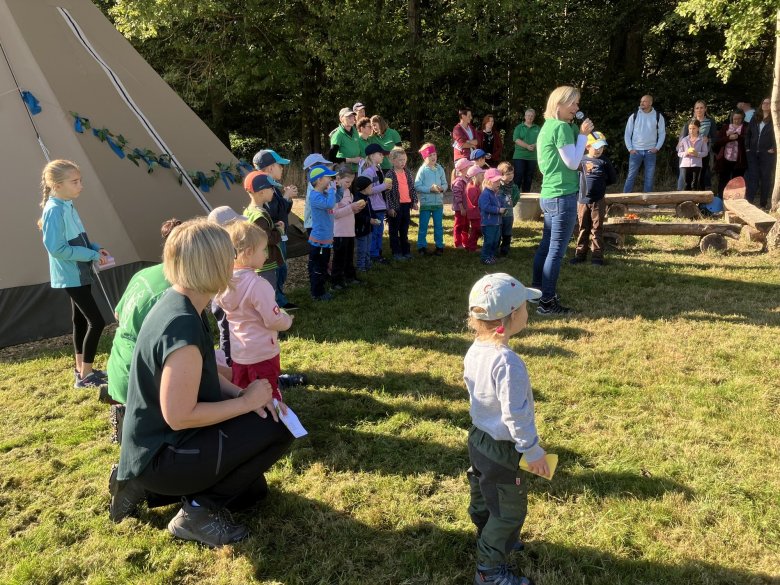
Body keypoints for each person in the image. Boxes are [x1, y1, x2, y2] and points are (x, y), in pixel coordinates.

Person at [109, 218, 293, 547]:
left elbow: (203, 376)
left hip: (159, 443)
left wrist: (246, 394)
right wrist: (246, 402)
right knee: (279, 429)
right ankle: (195, 511)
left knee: (253, 494)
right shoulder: (181, 325)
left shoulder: (178, 301)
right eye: (228, 257)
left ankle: (139, 481)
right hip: (166, 449)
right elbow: (179, 415)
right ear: (214, 265)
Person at [464, 273, 548, 585]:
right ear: (512, 317)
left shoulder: (476, 348)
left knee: (486, 495)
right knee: (509, 510)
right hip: (502, 449)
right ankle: (488, 571)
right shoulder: (508, 363)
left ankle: (489, 535)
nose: (528, 312)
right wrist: (532, 450)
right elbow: (516, 416)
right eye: (526, 307)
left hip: (478, 438)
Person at [106, 218, 181, 440]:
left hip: (118, 366)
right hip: (140, 378)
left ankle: (129, 415)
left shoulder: (143, 274)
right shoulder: (174, 291)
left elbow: (118, 314)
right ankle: (142, 424)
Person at [39, 159, 110, 389]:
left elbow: (81, 236)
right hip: (71, 275)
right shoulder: (54, 211)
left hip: (81, 271)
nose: (80, 185)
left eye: (80, 180)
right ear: (57, 185)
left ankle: (81, 370)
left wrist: (95, 248)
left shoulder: (68, 204)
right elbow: (57, 248)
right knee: (97, 322)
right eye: (75, 181)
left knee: (80, 321)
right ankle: (86, 377)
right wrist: (90, 256)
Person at [214, 221, 293, 405]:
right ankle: (275, 422)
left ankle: (245, 420)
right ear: (249, 252)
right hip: (263, 352)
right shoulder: (259, 285)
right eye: (264, 250)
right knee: (269, 391)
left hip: (239, 352)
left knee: (242, 390)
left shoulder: (224, 282)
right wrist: (287, 320)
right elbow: (273, 320)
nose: (266, 254)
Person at [533, 85, 594, 316]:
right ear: (559, 104)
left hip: (548, 194)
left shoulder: (547, 126)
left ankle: (538, 292)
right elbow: (572, 162)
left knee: (546, 246)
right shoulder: (562, 127)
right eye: (573, 104)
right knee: (556, 252)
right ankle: (547, 303)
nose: (577, 109)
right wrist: (582, 136)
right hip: (562, 195)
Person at [252, 149, 298, 311]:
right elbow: (273, 213)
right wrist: (286, 197)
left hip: (279, 236)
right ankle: (276, 303)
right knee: (277, 270)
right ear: (270, 168)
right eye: (280, 165)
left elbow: (282, 211)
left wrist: (287, 198)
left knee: (281, 269)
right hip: (273, 239)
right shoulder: (265, 188)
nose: (282, 168)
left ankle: (279, 300)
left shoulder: (273, 187)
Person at [571, 132, 617, 266]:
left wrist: (600, 187)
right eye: (596, 147)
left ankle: (597, 256)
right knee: (583, 227)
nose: (599, 150)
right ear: (587, 146)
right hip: (582, 200)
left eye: (601, 147)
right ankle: (580, 254)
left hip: (598, 201)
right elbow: (574, 177)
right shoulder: (580, 160)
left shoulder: (604, 161)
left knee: (597, 228)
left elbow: (612, 179)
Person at [242, 171, 285, 291]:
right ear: (261, 192)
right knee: (268, 291)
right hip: (264, 264)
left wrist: (273, 226)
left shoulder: (250, 211)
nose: (273, 190)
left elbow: (261, 230)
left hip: (257, 261)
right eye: (271, 188)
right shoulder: (259, 216)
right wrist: (280, 231)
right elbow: (266, 238)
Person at [307, 164, 339, 300]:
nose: (330, 180)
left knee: (322, 265)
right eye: (328, 177)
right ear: (319, 180)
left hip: (325, 239)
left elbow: (336, 199)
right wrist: (332, 190)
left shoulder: (324, 194)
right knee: (318, 267)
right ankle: (317, 293)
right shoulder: (315, 197)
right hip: (319, 241)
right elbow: (329, 204)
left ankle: (320, 289)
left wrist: (339, 188)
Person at [623, 94, 666, 193]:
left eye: (644, 101)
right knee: (631, 176)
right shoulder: (634, 116)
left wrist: (657, 148)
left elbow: (662, 133)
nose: (641, 103)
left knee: (649, 178)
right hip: (635, 151)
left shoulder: (658, 116)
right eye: (641, 101)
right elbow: (627, 134)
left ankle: (648, 201)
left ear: (650, 103)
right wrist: (630, 148)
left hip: (651, 152)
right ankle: (624, 200)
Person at [332, 165, 365, 288]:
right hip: (340, 232)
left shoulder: (348, 192)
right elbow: (335, 214)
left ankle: (350, 277)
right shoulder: (334, 193)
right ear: (337, 178)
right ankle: (336, 281)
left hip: (350, 231)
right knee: (339, 258)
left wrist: (356, 209)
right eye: (347, 182)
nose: (349, 184)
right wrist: (351, 207)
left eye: (351, 182)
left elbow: (348, 210)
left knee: (349, 257)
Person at [384, 147, 418, 260]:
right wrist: (390, 208)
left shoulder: (407, 173)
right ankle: (396, 252)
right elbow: (387, 194)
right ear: (392, 161)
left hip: (406, 205)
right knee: (394, 230)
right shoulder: (389, 175)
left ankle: (406, 251)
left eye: (404, 159)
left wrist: (414, 201)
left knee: (404, 230)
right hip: (395, 207)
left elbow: (412, 188)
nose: (402, 162)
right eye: (400, 160)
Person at [360, 143, 392, 264]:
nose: (383, 156)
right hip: (374, 207)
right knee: (374, 232)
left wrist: (386, 187)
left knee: (379, 231)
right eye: (380, 154)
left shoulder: (379, 170)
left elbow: (379, 188)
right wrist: (383, 186)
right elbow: (368, 190)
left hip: (381, 205)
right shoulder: (368, 172)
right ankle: (373, 254)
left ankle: (378, 252)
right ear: (372, 156)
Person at [414, 143, 448, 255]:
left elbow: (445, 183)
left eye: (434, 154)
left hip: (438, 204)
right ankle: (421, 246)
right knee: (423, 226)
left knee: (438, 226)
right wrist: (430, 189)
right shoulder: (422, 170)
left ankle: (439, 246)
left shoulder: (440, 169)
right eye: (430, 155)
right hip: (426, 204)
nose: (433, 157)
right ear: (425, 157)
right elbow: (417, 185)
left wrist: (441, 188)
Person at [676, 101, 716, 190]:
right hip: (688, 154)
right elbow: (683, 135)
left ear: (705, 109)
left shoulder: (710, 121)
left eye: (701, 108)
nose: (699, 110)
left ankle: (702, 199)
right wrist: (680, 147)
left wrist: (708, 139)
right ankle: (681, 195)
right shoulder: (690, 121)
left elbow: (715, 138)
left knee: (702, 176)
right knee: (685, 176)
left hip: (703, 152)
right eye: (697, 108)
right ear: (694, 110)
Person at [745, 97, 776, 209]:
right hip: (752, 153)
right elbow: (748, 133)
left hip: (767, 154)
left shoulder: (775, 119)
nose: (765, 105)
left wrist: (774, 148)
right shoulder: (755, 117)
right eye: (764, 102)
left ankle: (763, 204)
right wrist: (747, 147)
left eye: (768, 103)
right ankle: (749, 203)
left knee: (765, 178)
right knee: (753, 177)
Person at [714, 110, 748, 198]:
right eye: (735, 118)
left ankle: (736, 200)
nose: (737, 120)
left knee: (737, 181)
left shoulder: (745, 128)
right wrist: (728, 138)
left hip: (739, 160)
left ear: (742, 118)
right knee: (723, 180)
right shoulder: (725, 127)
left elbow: (748, 141)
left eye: (739, 118)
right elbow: (717, 142)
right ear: (731, 118)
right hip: (725, 159)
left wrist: (738, 137)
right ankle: (721, 198)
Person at [478, 169, 505, 265]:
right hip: (488, 223)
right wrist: (498, 210)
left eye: (499, 181)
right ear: (489, 181)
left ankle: (491, 255)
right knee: (489, 241)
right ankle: (485, 257)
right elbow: (485, 207)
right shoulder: (485, 194)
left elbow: (500, 203)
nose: (498, 183)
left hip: (497, 223)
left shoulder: (496, 193)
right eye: (496, 181)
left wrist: (503, 205)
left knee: (495, 241)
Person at [302, 154, 333, 236]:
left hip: (321, 223)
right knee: (318, 248)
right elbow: (328, 204)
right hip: (313, 225)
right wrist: (331, 190)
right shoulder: (314, 187)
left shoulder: (319, 184)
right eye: (323, 166)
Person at [512, 109, 541, 192]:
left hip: (532, 157)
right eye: (528, 115)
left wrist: (534, 145)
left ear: (534, 117)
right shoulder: (519, 127)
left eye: (532, 116)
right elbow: (516, 139)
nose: (530, 117)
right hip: (520, 156)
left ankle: (526, 197)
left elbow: (541, 139)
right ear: (525, 116)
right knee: (518, 176)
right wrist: (527, 146)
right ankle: (515, 196)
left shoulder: (537, 128)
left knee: (529, 178)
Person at [677, 119, 710, 191]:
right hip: (685, 165)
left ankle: (694, 201)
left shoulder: (702, 140)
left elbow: (705, 152)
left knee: (694, 183)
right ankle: (686, 200)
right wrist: (686, 153)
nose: (691, 130)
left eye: (694, 128)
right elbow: (679, 153)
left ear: (698, 128)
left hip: (697, 164)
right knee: (686, 183)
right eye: (690, 128)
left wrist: (697, 154)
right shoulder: (684, 140)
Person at [496, 162, 520, 257]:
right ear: (501, 175)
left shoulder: (514, 187)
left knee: (507, 232)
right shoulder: (497, 186)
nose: (511, 176)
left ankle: (505, 249)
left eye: (512, 173)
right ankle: (495, 248)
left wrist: (511, 204)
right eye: (508, 174)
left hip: (509, 215)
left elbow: (516, 197)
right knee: (497, 232)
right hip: (497, 215)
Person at [352, 175, 376, 272]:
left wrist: (374, 217)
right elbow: (357, 215)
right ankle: (360, 267)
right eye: (370, 187)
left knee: (367, 248)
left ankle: (367, 264)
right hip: (361, 229)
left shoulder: (367, 198)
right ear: (364, 189)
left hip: (368, 228)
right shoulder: (358, 200)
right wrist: (368, 220)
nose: (372, 189)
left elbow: (371, 210)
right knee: (361, 249)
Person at [452, 158, 474, 249]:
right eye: (469, 166)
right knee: (459, 225)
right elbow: (457, 196)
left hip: (466, 208)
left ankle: (465, 241)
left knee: (466, 225)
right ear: (464, 169)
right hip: (460, 208)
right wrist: (461, 208)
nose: (471, 167)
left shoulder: (468, 179)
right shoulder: (458, 182)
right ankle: (458, 242)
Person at [465, 164, 486, 252]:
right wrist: (482, 192)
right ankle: (471, 247)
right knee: (476, 230)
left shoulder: (475, 186)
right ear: (474, 177)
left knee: (475, 230)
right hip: (475, 213)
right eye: (481, 175)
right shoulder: (472, 188)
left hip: (476, 213)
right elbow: (476, 202)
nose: (483, 177)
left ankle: (471, 245)